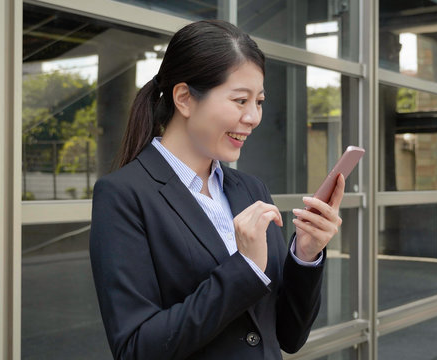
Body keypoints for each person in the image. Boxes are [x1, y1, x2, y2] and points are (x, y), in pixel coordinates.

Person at [89, 19, 345, 360]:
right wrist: (245, 270)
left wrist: (307, 253)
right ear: (184, 98)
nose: (254, 117)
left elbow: (289, 335)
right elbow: (137, 348)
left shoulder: (251, 189)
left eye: (259, 102)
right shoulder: (124, 195)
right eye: (240, 101)